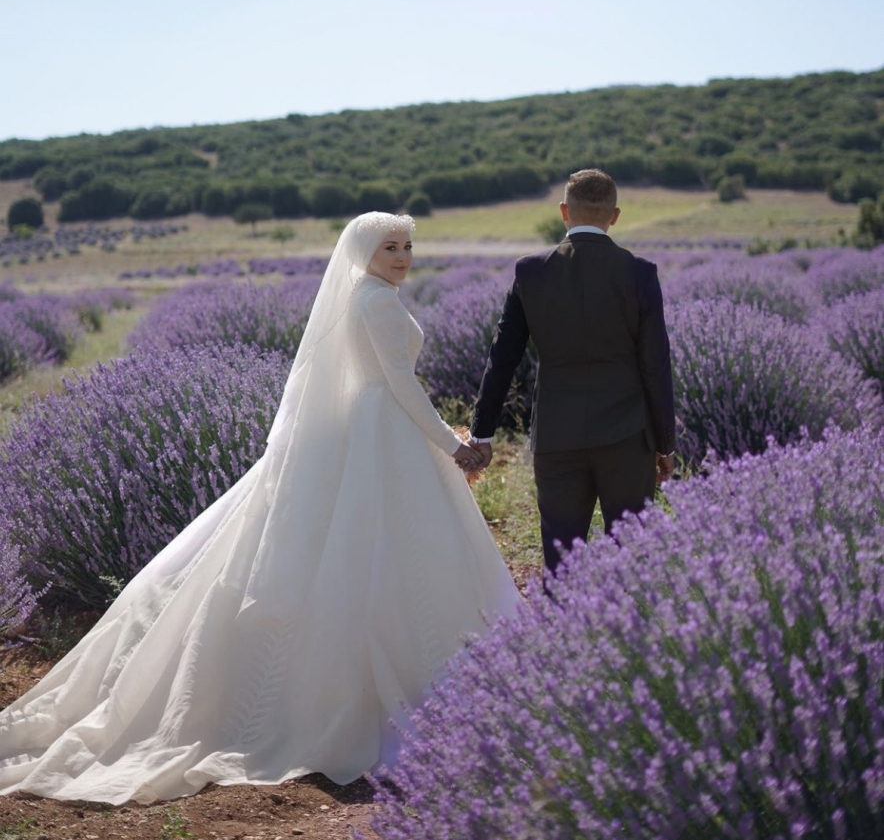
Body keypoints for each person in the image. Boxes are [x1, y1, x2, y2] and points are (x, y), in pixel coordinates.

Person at [0, 212, 519, 804]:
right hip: (386, 428)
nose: (402, 257)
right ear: (364, 253)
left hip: (381, 431)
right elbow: (401, 384)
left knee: (370, 552)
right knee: (386, 553)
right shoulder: (375, 301)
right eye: (389, 247)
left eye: (406, 246)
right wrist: (453, 446)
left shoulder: (367, 294)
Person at [469, 169, 676, 577]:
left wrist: (482, 434)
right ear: (614, 216)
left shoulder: (531, 272)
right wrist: (665, 444)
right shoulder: (640, 273)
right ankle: (629, 638)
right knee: (632, 560)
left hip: (557, 436)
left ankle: (562, 638)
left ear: (564, 211)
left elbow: (502, 357)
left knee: (562, 563)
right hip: (627, 437)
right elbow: (655, 365)